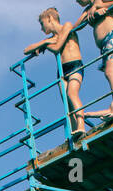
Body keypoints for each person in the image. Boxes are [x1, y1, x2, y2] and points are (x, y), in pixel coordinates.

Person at [25, 7, 88, 137]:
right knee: (67, 103)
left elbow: (57, 47)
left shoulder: (67, 26)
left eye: (42, 24)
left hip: (74, 65)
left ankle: (81, 126)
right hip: (61, 71)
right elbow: (27, 50)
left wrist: (46, 44)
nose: (41, 28)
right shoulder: (51, 38)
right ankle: (73, 132)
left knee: (72, 94)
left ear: (50, 18)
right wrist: (46, 42)